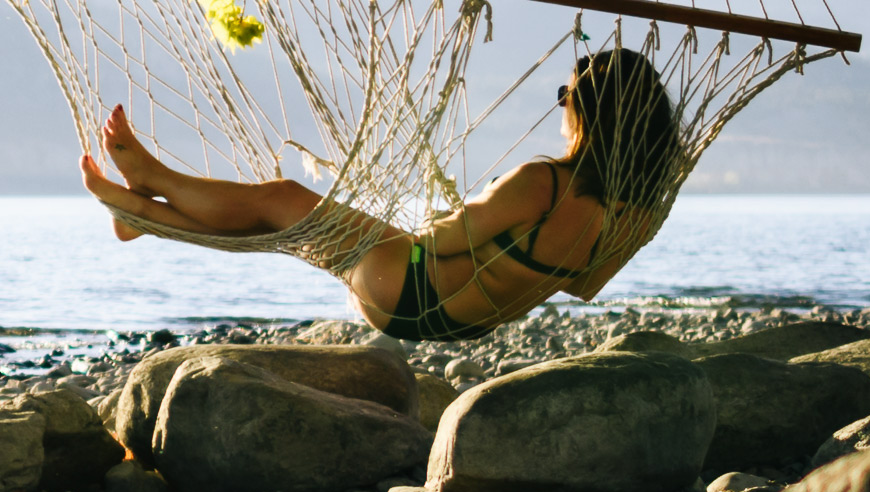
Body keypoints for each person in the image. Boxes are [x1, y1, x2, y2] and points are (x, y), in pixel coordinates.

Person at [76, 45, 683, 335]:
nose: (561, 106)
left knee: (282, 202)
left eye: (567, 96)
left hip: (411, 284)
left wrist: (392, 223)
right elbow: (585, 286)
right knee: (285, 223)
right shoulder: (631, 218)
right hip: (455, 320)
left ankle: (151, 180)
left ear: (588, 111)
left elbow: (445, 240)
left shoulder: (544, 182)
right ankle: (141, 215)